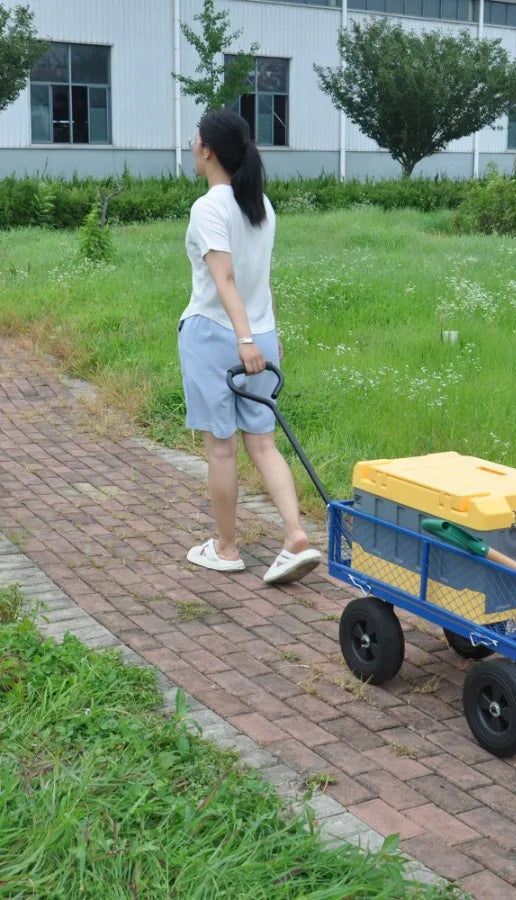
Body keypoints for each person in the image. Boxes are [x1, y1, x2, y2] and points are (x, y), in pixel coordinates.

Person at [178, 109, 320, 584]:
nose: (191, 145)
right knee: (262, 442)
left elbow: (226, 279)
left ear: (209, 150)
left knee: (221, 450)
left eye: (194, 139)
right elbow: (262, 282)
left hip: (220, 335)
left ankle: (226, 548)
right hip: (259, 335)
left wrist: (242, 338)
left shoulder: (209, 207)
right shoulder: (259, 203)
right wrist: (264, 335)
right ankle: (295, 535)